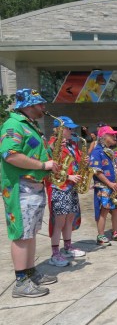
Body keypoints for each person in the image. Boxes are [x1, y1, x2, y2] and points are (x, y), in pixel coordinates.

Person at [0, 88, 60, 298]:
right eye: (39, 104)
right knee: (21, 235)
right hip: (20, 188)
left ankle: (30, 272)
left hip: (33, 187)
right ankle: (20, 282)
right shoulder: (13, 125)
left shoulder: (29, 125)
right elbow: (10, 154)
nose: (43, 107)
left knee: (30, 233)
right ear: (27, 105)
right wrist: (44, 165)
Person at [46, 116, 86, 268]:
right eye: (69, 128)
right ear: (59, 129)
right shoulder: (52, 145)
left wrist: (83, 162)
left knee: (70, 218)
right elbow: (50, 168)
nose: (72, 131)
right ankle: (55, 253)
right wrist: (68, 176)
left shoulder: (71, 144)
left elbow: (75, 161)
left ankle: (68, 247)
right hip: (59, 187)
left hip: (71, 186)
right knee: (59, 221)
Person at [89, 125, 117, 245]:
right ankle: (100, 235)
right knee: (104, 211)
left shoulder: (113, 151)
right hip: (104, 186)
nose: (115, 137)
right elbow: (96, 170)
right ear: (104, 136)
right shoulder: (97, 151)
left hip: (115, 186)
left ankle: (115, 232)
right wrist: (109, 183)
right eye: (112, 135)